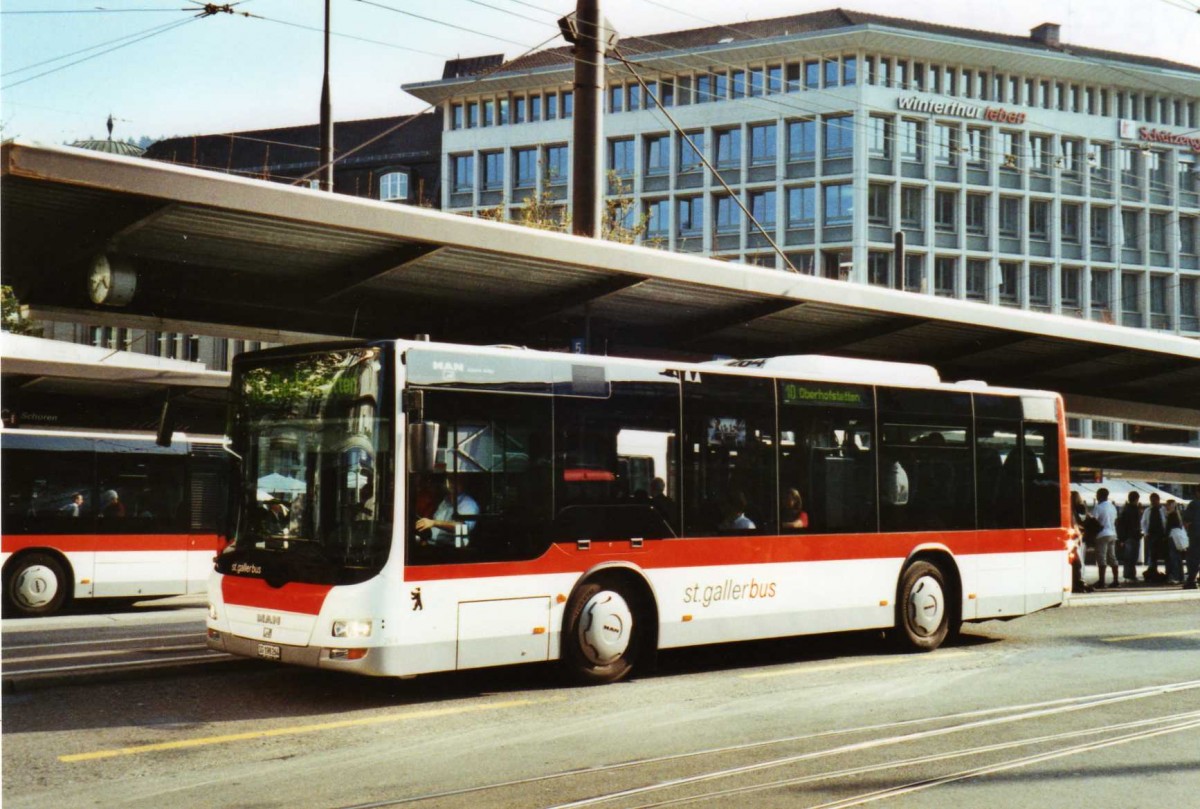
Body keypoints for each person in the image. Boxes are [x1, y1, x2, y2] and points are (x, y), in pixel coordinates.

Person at [415, 475, 478, 548]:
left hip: (450, 550)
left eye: (456, 480)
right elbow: (434, 525)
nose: (451, 483)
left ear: (463, 482)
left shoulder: (468, 504)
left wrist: (433, 523)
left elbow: (462, 527)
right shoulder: (445, 500)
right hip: (432, 544)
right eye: (450, 480)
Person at [1091, 488, 1119, 589]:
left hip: (1102, 534)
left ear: (1099, 495)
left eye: (1097, 495)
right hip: (1112, 533)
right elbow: (1115, 520)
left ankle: (1101, 581)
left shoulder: (1098, 507)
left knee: (1101, 558)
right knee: (1112, 557)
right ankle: (1116, 580)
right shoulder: (1112, 507)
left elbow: (1094, 520)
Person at [1140, 492, 1167, 582]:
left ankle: (1167, 572)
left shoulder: (1163, 510)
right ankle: (1153, 572)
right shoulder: (1148, 510)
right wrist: (1146, 533)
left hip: (1162, 534)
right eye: (1151, 501)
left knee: (1164, 554)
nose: (1153, 502)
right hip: (1152, 535)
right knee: (1152, 554)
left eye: (1154, 501)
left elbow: (1165, 521)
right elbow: (1144, 522)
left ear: (1158, 500)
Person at [1069, 491, 1092, 594]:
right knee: (1079, 560)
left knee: (1077, 560)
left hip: (1075, 536)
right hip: (1078, 536)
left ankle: (1078, 581)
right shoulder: (1080, 508)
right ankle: (1079, 580)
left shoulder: (1072, 509)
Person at [1116, 491, 1142, 584]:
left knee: (1128, 558)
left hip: (1127, 537)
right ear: (1136, 499)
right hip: (1133, 536)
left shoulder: (1125, 510)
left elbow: (1121, 524)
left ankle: (1128, 575)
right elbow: (1135, 524)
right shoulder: (1134, 510)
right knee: (1132, 557)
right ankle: (1130, 575)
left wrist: (1121, 538)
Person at [1181, 497, 1199, 590]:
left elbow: (1186, 520)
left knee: (1193, 558)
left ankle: (1192, 581)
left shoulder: (1194, 504)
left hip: (1195, 535)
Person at [1164, 505, 1185, 585]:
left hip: (1172, 537)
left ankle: (1175, 576)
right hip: (1178, 537)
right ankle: (1181, 576)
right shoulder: (1178, 516)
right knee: (1178, 557)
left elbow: (1168, 527)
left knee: (1173, 557)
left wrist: (1165, 536)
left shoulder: (1171, 516)